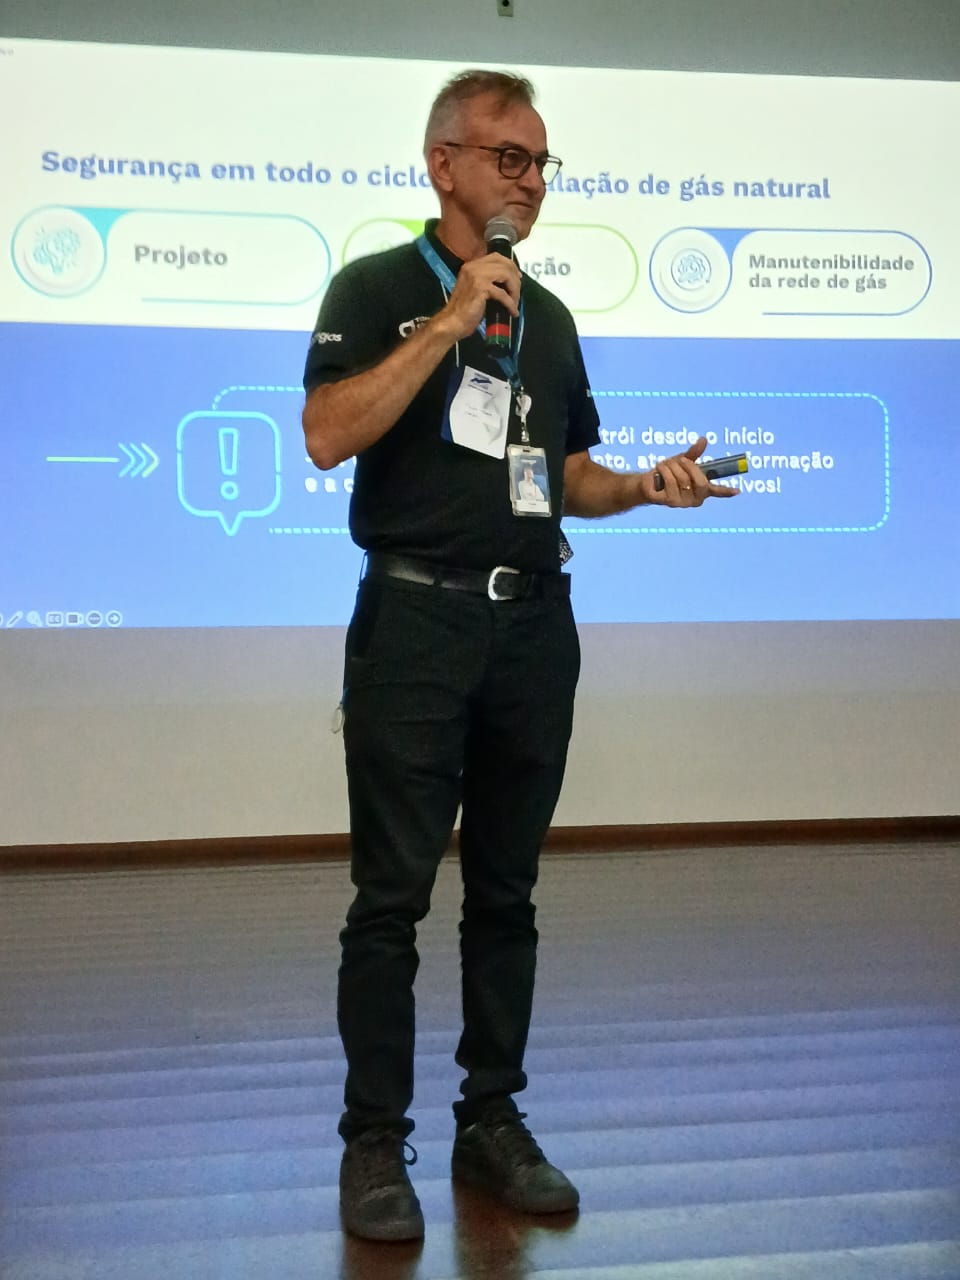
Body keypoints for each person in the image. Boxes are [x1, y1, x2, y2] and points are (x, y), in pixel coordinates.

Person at [301, 68, 737, 1243]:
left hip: (535, 626)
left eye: (542, 161)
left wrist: (642, 487)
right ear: (442, 165)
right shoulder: (377, 287)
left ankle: (489, 1118)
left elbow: (564, 476)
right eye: (510, 157)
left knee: (508, 890)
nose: (532, 180)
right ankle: (374, 1141)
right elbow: (327, 434)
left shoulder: (549, 316)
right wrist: (448, 324)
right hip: (415, 623)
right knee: (391, 898)